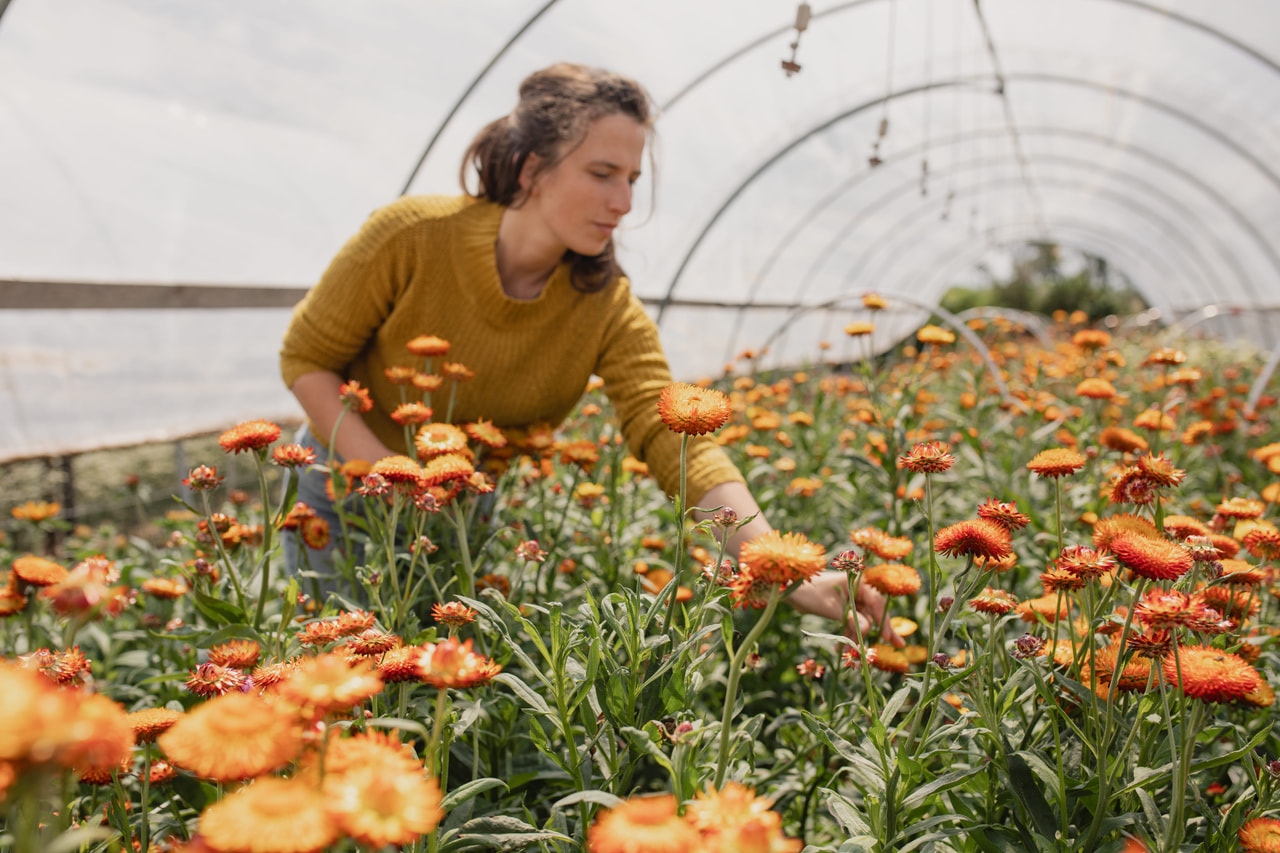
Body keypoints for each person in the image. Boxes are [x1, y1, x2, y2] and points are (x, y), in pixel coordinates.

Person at [278, 62, 900, 646]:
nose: (624, 202)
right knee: (340, 683)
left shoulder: (604, 306)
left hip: (462, 519)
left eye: (632, 180)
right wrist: (389, 473)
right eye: (602, 174)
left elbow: (672, 432)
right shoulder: (411, 237)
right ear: (531, 170)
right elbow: (307, 358)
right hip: (342, 496)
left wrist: (780, 567)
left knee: (430, 697)